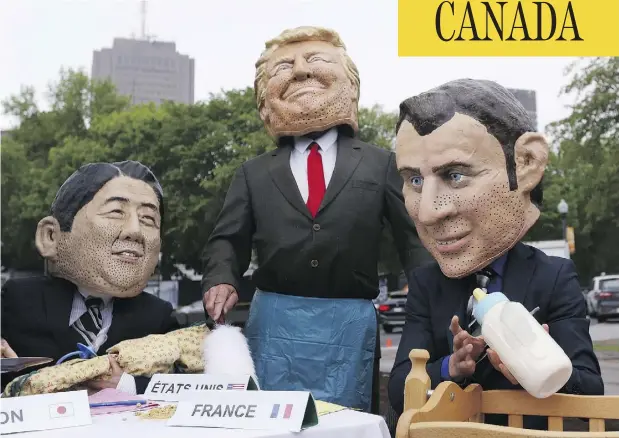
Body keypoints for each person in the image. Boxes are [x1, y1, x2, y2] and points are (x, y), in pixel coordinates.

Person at [201, 26, 431, 412]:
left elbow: (413, 237)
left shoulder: (380, 164)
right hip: (273, 322)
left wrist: (431, 294)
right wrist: (221, 278)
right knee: (269, 422)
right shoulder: (253, 173)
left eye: (317, 61)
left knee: (345, 422)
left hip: (349, 323)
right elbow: (227, 239)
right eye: (285, 67)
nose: (302, 73)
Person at [388, 79, 604, 429]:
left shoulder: (553, 277)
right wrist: (451, 367)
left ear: (526, 164)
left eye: (455, 175)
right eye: (414, 180)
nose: (428, 212)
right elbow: (400, 388)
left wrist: (540, 366)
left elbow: (590, 393)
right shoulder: (427, 284)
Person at [1, 161, 179, 395]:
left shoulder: (157, 316)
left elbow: (184, 385)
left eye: (148, 219)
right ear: (51, 236)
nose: (135, 231)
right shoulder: (19, 300)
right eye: (116, 212)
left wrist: (126, 385)